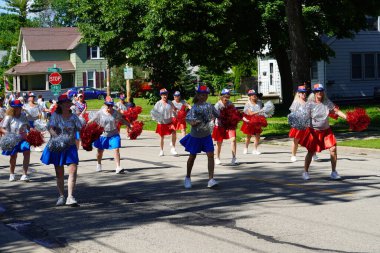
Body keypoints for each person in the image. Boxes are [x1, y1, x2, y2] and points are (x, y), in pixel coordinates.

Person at [40, 94, 83, 206]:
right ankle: (61, 196)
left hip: (71, 146)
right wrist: (56, 137)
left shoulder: (74, 117)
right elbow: (50, 127)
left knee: (73, 170)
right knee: (59, 174)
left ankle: (70, 197)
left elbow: (80, 128)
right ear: (61, 105)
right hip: (58, 146)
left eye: (69, 103)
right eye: (66, 103)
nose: (68, 105)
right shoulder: (55, 115)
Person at [300, 83, 347, 180]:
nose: (319, 93)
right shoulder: (310, 104)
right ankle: (305, 172)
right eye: (317, 91)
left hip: (326, 131)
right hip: (314, 131)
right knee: (311, 152)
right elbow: (304, 116)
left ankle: (334, 172)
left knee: (333, 149)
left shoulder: (327, 102)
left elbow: (336, 111)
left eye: (321, 91)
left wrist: (347, 117)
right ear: (314, 93)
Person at [180, 85, 219, 189]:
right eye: (202, 95)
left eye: (206, 95)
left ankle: (211, 179)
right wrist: (193, 122)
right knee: (192, 156)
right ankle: (187, 177)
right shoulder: (194, 107)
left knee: (210, 155)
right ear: (198, 95)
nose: (204, 97)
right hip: (195, 136)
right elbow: (188, 119)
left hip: (206, 135)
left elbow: (218, 114)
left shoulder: (209, 106)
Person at [90, 96, 131, 173]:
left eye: (111, 105)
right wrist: (86, 126)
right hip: (103, 135)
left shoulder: (115, 113)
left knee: (116, 149)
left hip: (114, 134)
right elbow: (92, 120)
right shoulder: (100, 112)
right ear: (105, 105)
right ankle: (99, 164)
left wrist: (129, 124)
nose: (110, 107)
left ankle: (118, 167)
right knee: (100, 152)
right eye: (108, 105)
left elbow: (121, 120)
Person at [1, 99, 31, 182]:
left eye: (19, 107)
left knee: (27, 150)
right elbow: (2, 129)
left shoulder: (23, 116)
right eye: (16, 107)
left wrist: (33, 132)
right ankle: (12, 174)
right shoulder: (8, 117)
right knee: (13, 156)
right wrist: (9, 135)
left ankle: (24, 174)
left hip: (23, 139)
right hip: (12, 140)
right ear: (12, 108)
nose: (18, 109)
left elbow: (28, 127)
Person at [212, 89, 239, 165]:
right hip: (220, 125)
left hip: (230, 125)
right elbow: (213, 116)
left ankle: (234, 158)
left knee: (233, 140)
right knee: (219, 142)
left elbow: (234, 112)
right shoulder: (218, 105)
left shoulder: (230, 103)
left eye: (228, 96)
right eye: (225, 96)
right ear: (221, 97)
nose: (227, 98)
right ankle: (217, 158)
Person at [150, 88, 177, 156]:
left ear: (167, 95)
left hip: (169, 122)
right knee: (162, 137)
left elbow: (174, 110)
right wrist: (156, 118)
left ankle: (173, 148)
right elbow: (153, 113)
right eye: (163, 95)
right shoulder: (158, 103)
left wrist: (175, 114)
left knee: (174, 132)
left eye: (165, 94)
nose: (164, 96)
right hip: (161, 123)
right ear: (161, 95)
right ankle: (161, 150)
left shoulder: (170, 102)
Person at [240, 89, 263, 155]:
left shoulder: (259, 102)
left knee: (258, 135)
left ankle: (255, 149)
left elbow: (262, 110)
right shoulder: (248, 104)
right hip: (250, 120)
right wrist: (259, 111)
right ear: (249, 96)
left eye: (255, 94)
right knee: (249, 135)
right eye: (252, 95)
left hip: (258, 120)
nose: (254, 96)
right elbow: (250, 113)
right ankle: (246, 147)